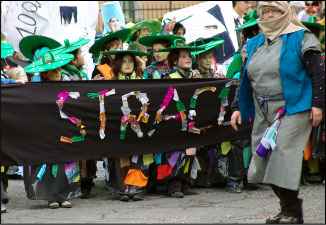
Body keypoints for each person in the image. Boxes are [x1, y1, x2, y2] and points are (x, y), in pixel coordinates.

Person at [230, 2, 325, 223]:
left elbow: (319, 73)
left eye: (276, 10)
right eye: (266, 11)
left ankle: (291, 212)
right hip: (263, 110)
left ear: (286, 13)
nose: (270, 14)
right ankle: (288, 209)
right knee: (261, 161)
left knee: (282, 156)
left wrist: (318, 104)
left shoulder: (301, 38)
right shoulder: (253, 44)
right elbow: (244, 78)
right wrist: (237, 108)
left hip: (295, 107)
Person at [23, 52, 82, 209]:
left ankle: (63, 195)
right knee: (48, 165)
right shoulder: (37, 90)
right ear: (46, 74)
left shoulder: (69, 88)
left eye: (59, 69)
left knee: (66, 163)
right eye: (53, 70)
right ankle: (51, 197)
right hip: (47, 134)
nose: (57, 72)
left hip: (65, 132)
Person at [155, 39, 204, 198]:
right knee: (175, 153)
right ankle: (174, 185)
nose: (188, 59)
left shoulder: (194, 75)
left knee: (191, 150)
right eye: (183, 56)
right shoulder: (169, 76)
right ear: (175, 60)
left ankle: (186, 182)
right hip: (174, 121)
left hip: (191, 119)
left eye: (189, 56)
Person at [49, 38, 97, 199]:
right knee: (75, 151)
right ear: (73, 59)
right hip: (70, 121)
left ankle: (85, 182)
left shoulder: (80, 74)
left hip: (82, 120)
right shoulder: (64, 76)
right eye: (80, 53)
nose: (83, 56)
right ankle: (76, 184)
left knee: (86, 151)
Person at [101, 48, 149, 201]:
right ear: (117, 64)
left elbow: (147, 101)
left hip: (138, 126)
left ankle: (136, 187)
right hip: (119, 127)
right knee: (123, 157)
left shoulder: (142, 81)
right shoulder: (111, 83)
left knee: (137, 156)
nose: (127, 64)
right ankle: (125, 188)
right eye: (124, 61)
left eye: (130, 61)